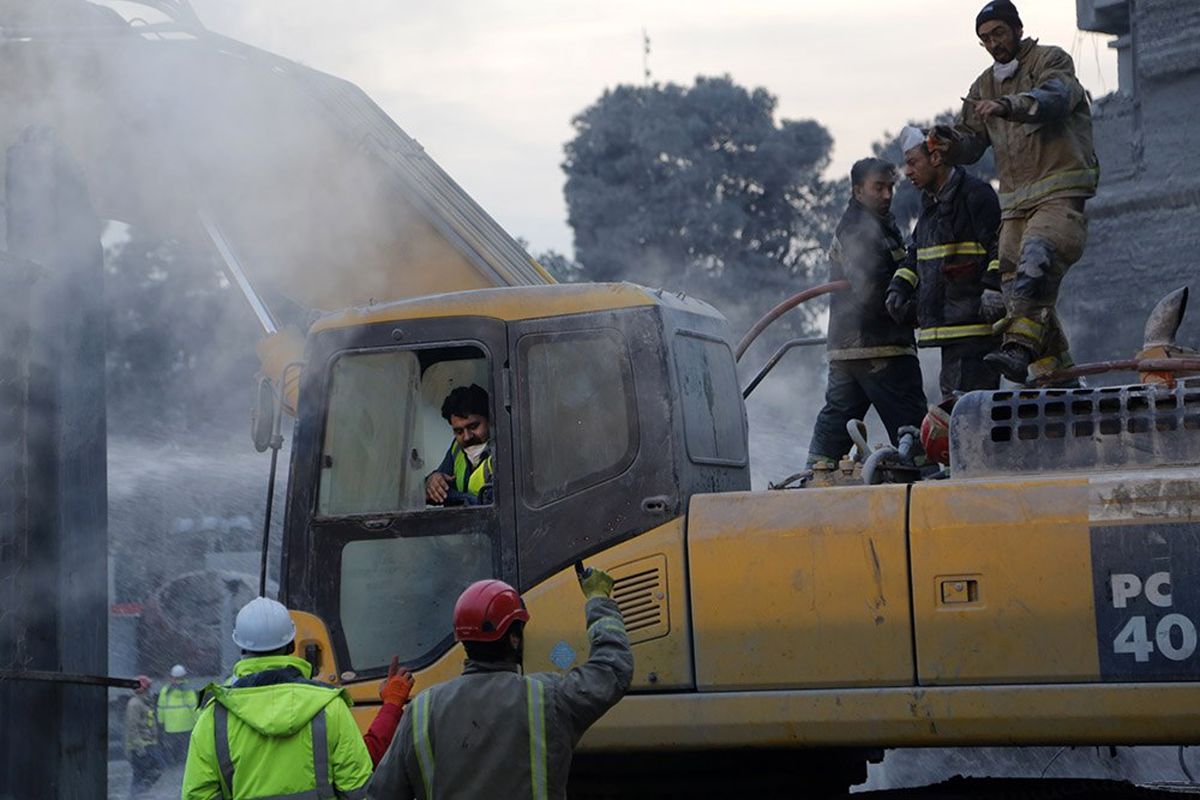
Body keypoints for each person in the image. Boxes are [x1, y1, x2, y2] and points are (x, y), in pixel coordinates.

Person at [929, 0, 1099, 384]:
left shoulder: (1050, 61)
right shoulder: (982, 85)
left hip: (1058, 195)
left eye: (998, 34)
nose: (993, 44)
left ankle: (1017, 350)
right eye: (985, 39)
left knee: (1036, 263)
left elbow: (1055, 99)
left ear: (1017, 29)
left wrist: (1007, 106)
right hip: (1015, 207)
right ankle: (1058, 377)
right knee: (1013, 291)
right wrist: (948, 144)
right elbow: (970, 143)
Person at [366, 569, 634, 799]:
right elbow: (611, 670)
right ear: (514, 638)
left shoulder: (422, 711)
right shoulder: (549, 699)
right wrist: (599, 601)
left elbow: (381, 794)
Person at [182, 597, 373, 799]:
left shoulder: (214, 718)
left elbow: (198, 794)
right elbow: (358, 791)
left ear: (242, 648)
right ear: (291, 645)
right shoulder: (329, 707)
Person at [807, 157, 927, 467]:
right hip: (881, 348)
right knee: (912, 429)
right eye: (878, 188)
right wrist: (918, 312)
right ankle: (926, 488)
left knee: (834, 432)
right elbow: (872, 290)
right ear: (858, 190)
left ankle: (811, 483)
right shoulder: (861, 229)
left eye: (890, 187)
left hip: (848, 351)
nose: (887, 195)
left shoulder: (876, 224)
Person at [887, 126, 1004, 400]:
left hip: (974, 332)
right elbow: (917, 254)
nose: (907, 171)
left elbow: (1003, 247)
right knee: (958, 413)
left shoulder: (977, 195)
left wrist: (992, 287)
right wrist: (898, 288)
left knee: (968, 415)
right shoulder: (930, 202)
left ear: (936, 158)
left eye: (913, 162)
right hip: (951, 331)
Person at [424, 384, 494, 506]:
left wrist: (451, 496)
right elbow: (435, 490)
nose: (467, 437)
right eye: (459, 431)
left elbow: (490, 504)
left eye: (473, 426)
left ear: (490, 420)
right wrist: (431, 481)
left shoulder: (506, 449)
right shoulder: (457, 449)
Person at [124, 675, 161, 799]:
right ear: (143, 688)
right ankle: (138, 795)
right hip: (140, 747)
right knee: (149, 772)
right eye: (148, 687)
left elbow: (149, 724)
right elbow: (132, 728)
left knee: (140, 775)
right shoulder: (135, 704)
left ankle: (136, 795)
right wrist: (139, 747)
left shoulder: (144, 702)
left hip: (147, 744)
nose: (150, 689)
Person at [156, 663, 198, 764]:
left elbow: (161, 708)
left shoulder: (165, 691)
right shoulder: (188, 691)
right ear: (184, 676)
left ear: (171, 677)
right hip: (186, 726)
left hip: (171, 728)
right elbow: (194, 709)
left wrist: (161, 722)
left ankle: (173, 765)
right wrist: (198, 721)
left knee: (172, 750)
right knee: (185, 753)